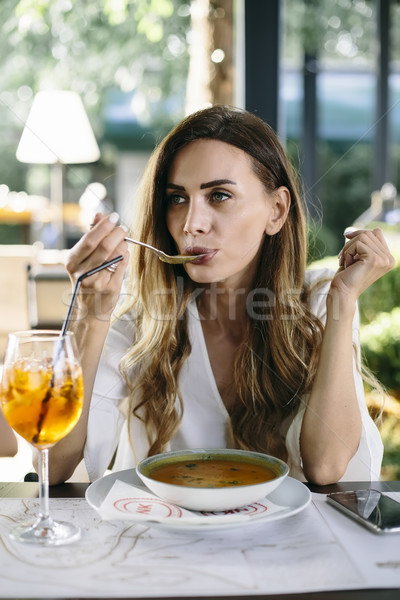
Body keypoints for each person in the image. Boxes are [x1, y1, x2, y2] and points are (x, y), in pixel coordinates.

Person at [48, 105, 395, 486]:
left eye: (219, 196)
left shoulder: (321, 302)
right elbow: (54, 465)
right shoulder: (141, 325)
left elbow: (327, 467)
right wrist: (90, 311)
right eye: (177, 198)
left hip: (291, 544)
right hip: (164, 542)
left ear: (276, 210)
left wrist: (343, 303)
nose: (191, 224)